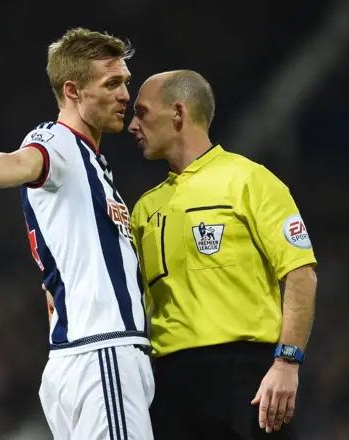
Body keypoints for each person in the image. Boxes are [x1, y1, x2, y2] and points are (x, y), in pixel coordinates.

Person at [0, 28, 154, 440]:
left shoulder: (91, 165)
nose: (125, 95)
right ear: (73, 91)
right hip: (102, 351)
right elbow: (27, 160)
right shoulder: (57, 142)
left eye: (126, 82)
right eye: (112, 84)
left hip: (86, 354)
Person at [128, 70, 318, 439]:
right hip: (168, 384)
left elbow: (300, 272)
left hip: (243, 377)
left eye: (143, 112)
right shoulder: (144, 210)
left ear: (178, 114)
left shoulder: (249, 181)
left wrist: (287, 362)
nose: (132, 125)